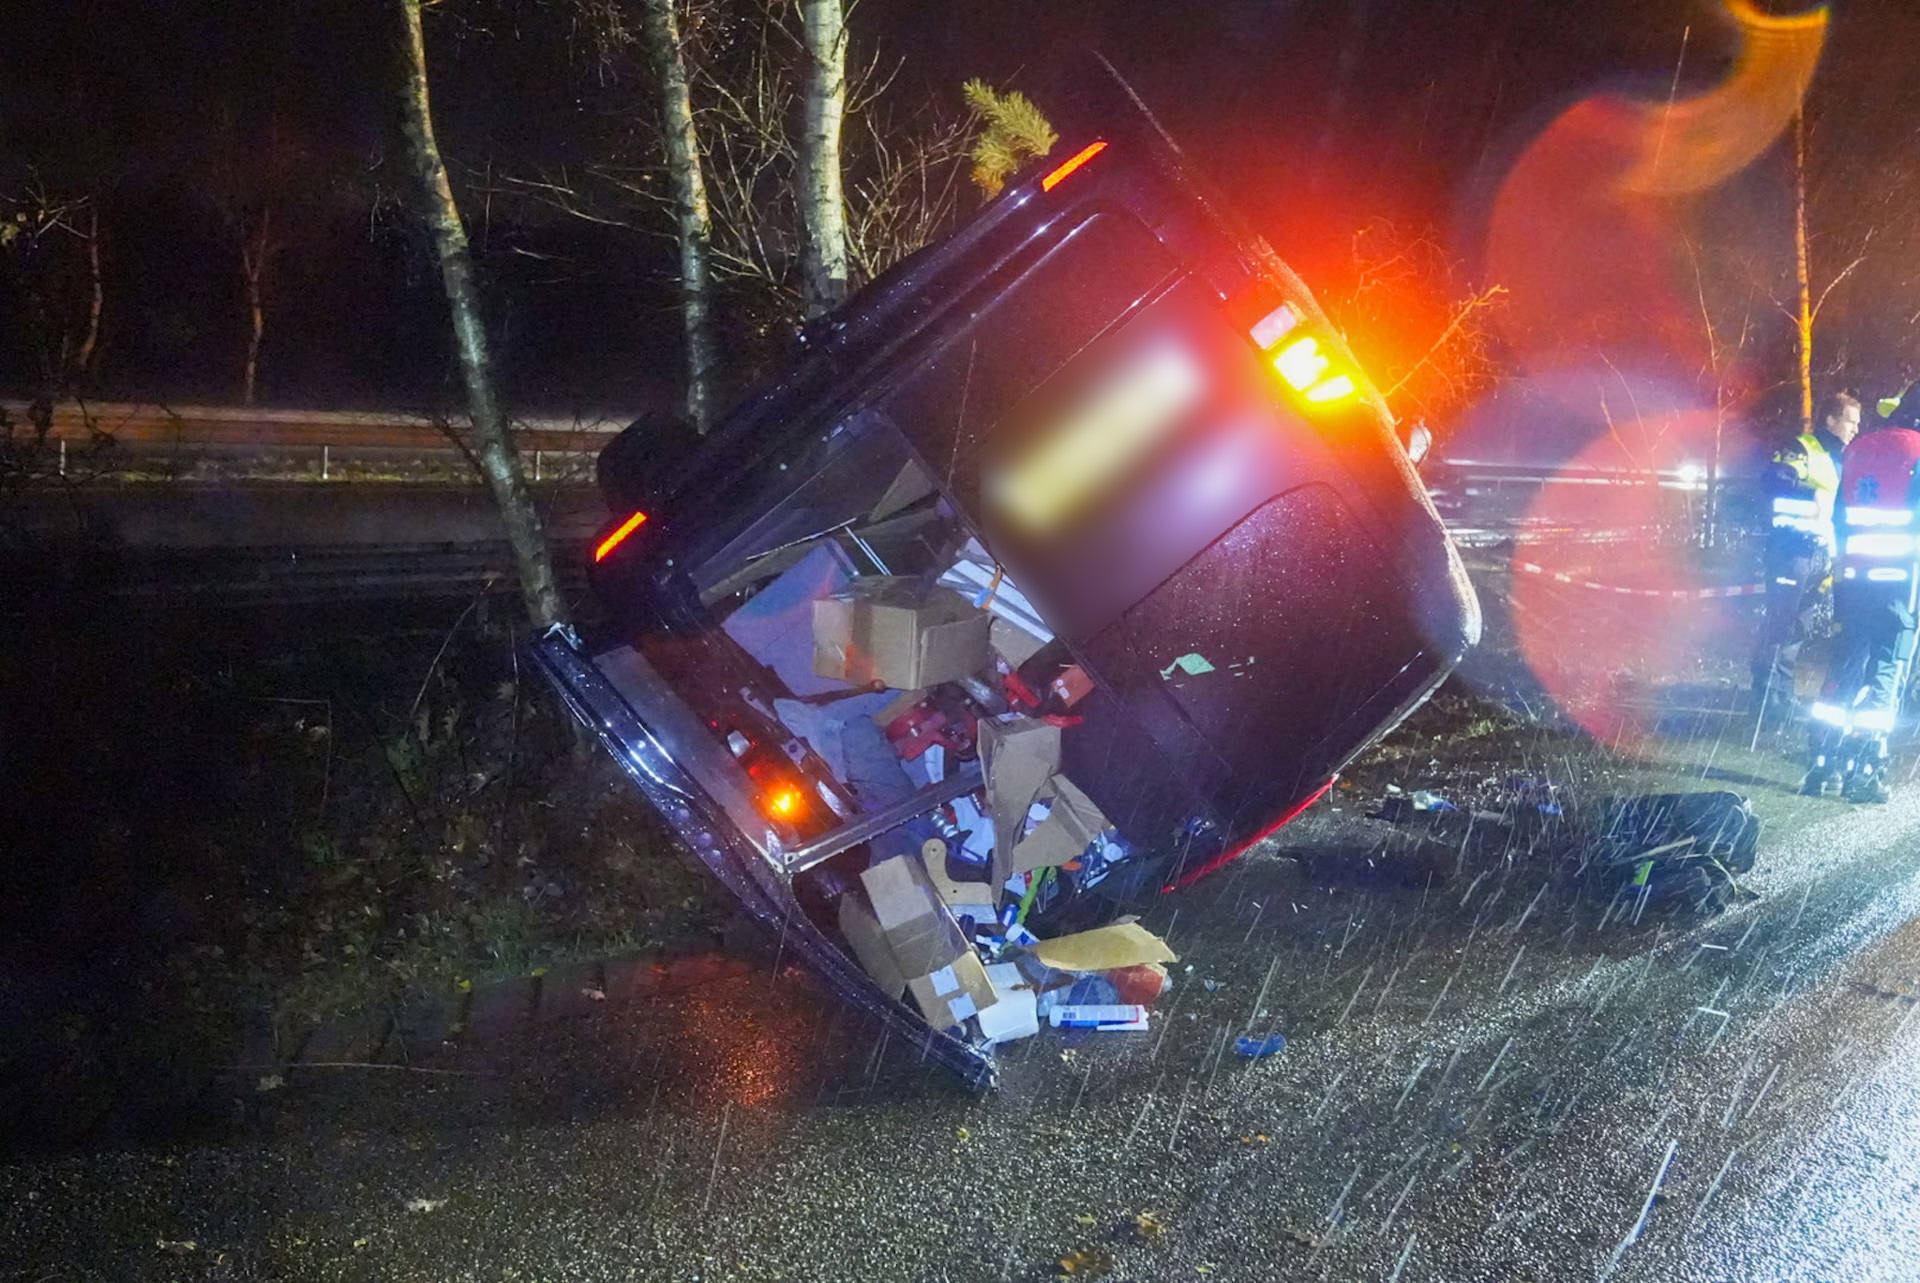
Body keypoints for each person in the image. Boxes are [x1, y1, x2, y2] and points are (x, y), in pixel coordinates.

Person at [1803, 398, 1920, 802]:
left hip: (1854, 578)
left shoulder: (1859, 448)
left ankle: (1822, 765)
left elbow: (1839, 515)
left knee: (1846, 664)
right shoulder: (1918, 452)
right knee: (1888, 670)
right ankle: (1866, 771)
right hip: (1901, 584)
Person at [1751, 393, 1859, 726]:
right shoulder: (1804, 448)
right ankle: (1766, 699)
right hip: (1791, 551)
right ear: (1831, 420)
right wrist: (1807, 499)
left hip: (1819, 557)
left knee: (1799, 627)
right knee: (1779, 625)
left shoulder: (1844, 457)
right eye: (1850, 421)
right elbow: (1771, 484)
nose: (1856, 428)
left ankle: (1782, 695)